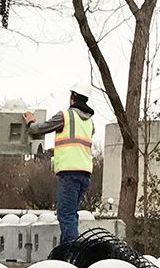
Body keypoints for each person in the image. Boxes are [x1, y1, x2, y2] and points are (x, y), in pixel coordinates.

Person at [29, 88, 104, 245]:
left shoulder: (66, 115)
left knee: (65, 214)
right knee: (71, 214)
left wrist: (30, 122)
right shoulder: (90, 122)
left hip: (69, 172)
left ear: (73, 97)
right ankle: (66, 250)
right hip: (85, 174)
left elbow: (39, 129)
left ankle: (71, 252)